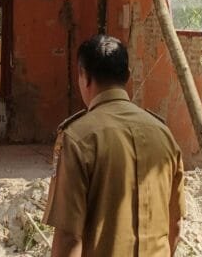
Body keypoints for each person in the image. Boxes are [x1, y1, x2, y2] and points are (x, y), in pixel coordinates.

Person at [43, 34, 185, 257]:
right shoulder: (163, 134)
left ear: (84, 77)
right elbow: (175, 224)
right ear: (127, 76)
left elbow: (69, 235)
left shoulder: (78, 137)